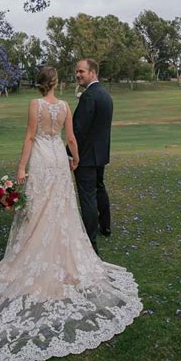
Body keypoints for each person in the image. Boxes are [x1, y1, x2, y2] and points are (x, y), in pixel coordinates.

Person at [0, 66, 142, 361]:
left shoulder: (34, 105)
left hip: (41, 160)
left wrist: (21, 168)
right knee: (62, 209)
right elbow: (71, 139)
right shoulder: (65, 106)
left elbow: (29, 137)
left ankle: (30, 253)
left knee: (36, 210)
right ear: (55, 83)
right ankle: (64, 256)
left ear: (39, 85)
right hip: (58, 160)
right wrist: (76, 158)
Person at [68, 58, 113, 254]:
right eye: (77, 72)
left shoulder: (89, 97)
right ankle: (106, 226)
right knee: (99, 188)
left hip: (86, 157)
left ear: (92, 72)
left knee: (87, 197)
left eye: (81, 72)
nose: (78, 75)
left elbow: (78, 130)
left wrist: (70, 154)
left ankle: (91, 241)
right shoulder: (105, 95)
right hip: (100, 155)